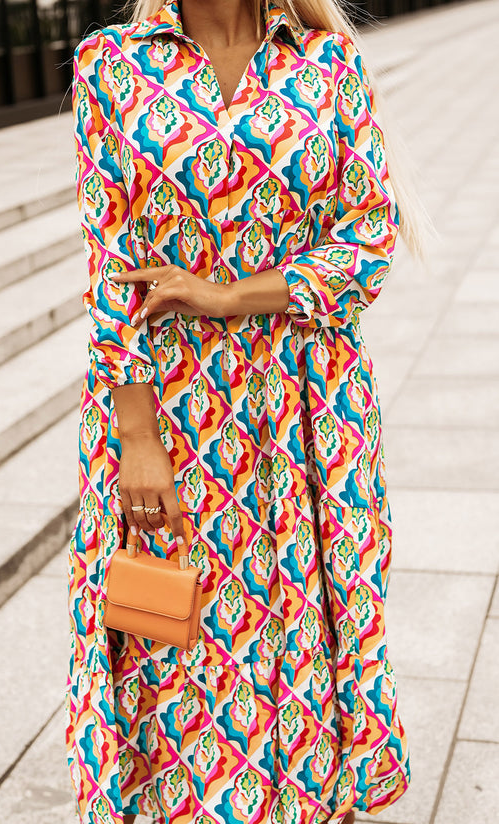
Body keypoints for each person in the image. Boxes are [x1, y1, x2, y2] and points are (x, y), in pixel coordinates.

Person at [65, 0, 433, 822]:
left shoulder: (327, 63)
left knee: (310, 623)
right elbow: (111, 261)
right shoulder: (111, 64)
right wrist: (135, 439)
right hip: (173, 408)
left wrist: (234, 294)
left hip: (310, 406)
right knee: (173, 636)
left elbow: (368, 236)